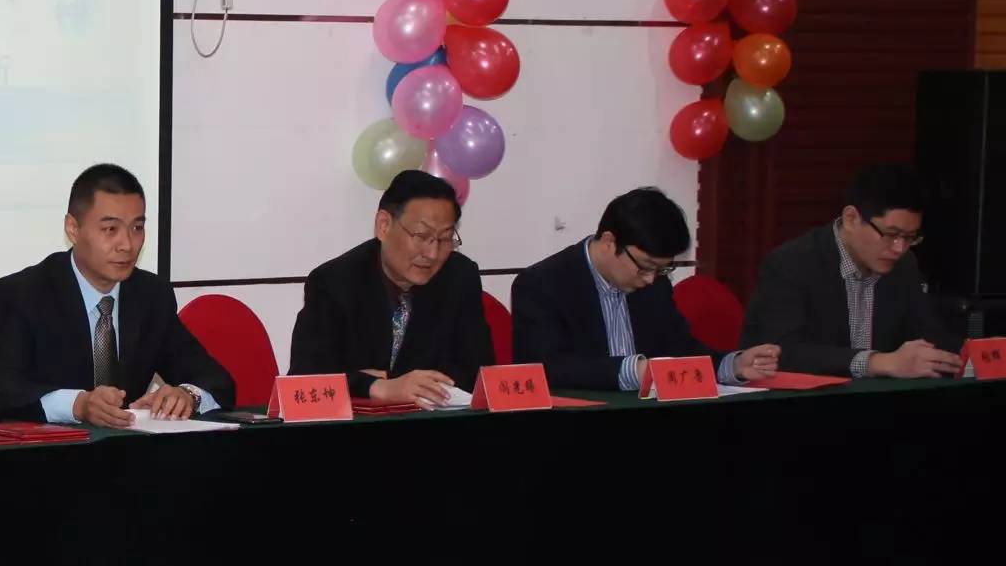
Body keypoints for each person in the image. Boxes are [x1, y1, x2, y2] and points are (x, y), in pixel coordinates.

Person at [0, 164, 233, 425]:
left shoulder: (151, 295)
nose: (127, 245)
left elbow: (216, 380)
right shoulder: (24, 293)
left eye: (137, 228)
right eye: (110, 229)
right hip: (53, 448)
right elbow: (0, 393)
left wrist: (188, 395)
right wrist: (77, 405)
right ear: (73, 228)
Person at [511, 187, 780, 390]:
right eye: (645, 266)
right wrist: (634, 371)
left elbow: (681, 350)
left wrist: (733, 365)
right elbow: (547, 368)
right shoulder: (541, 284)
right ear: (609, 242)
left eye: (662, 269)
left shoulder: (655, 285)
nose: (651, 279)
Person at [288, 169, 492, 408]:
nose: (432, 253)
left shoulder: (460, 277)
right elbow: (305, 379)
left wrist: (384, 380)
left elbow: (479, 374)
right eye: (421, 235)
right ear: (384, 225)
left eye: (445, 238)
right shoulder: (334, 283)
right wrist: (377, 387)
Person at [741, 163, 962, 379]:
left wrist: (959, 358)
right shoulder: (791, 263)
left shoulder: (904, 265)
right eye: (890, 234)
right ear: (851, 218)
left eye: (909, 237)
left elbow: (930, 335)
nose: (899, 248)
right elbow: (781, 353)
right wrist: (877, 362)